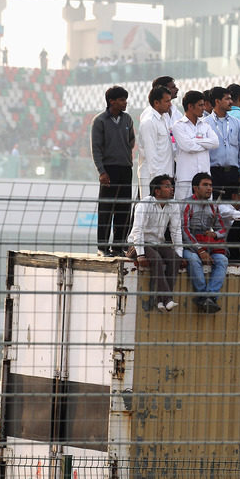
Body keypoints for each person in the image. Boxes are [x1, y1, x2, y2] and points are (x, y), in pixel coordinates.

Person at [128, 174, 185, 312]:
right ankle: (167, 299)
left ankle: (161, 301)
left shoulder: (173, 205)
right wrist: (140, 254)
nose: (171, 189)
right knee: (157, 260)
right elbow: (138, 231)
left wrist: (179, 255)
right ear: (157, 191)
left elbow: (176, 232)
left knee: (174, 259)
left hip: (158, 243)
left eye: (171, 186)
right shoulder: (144, 204)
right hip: (138, 243)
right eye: (167, 186)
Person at [91, 85, 136, 257]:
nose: (125, 103)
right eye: (122, 100)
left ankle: (118, 246)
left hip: (125, 168)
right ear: (112, 101)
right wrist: (101, 171)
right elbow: (96, 148)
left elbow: (131, 141)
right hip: (109, 170)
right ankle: (102, 247)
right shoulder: (100, 121)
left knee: (124, 209)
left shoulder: (127, 120)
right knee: (106, 209)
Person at [181, 173, 228, 314]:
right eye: (205, 185)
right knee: (194, 260)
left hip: (207, 246)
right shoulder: (186, 204)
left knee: (223, 260)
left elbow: (223, 229)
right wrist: (200, 251)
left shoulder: (213, 207)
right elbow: (184, 231)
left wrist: (215, 234)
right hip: (188, 246)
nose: (209, 188)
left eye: (210, 185)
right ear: (195, 188)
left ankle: (210, 297)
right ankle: (203, 296)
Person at [173, 91, 219, 201]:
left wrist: (195, 141)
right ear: (190, 106)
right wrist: (205, 144)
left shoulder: (205, 125)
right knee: (183, 213)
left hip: (205, 180)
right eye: (200, 105)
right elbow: (187, 147)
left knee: (206, 214)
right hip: (186, 178)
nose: (204, 108)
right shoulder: (178, 125)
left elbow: (215, 143)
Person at [206, 86, 240, 195]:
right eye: (227, 99)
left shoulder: (236, 123)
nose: (231, 102)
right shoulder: (205, 123)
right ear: (217, 101)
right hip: (213, 173)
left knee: (233, 209)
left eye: (231, 98)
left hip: (233, 174)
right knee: (215, 208)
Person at [137, 85, 175, 200]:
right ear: (156, 103)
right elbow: (151, 154)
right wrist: (158, 182)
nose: (170, 104)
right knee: (149, 212)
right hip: (152, 178)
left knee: (165, 214)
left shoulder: (165, 118)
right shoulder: (149, 122)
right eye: (167, 101)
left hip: (166, 176)